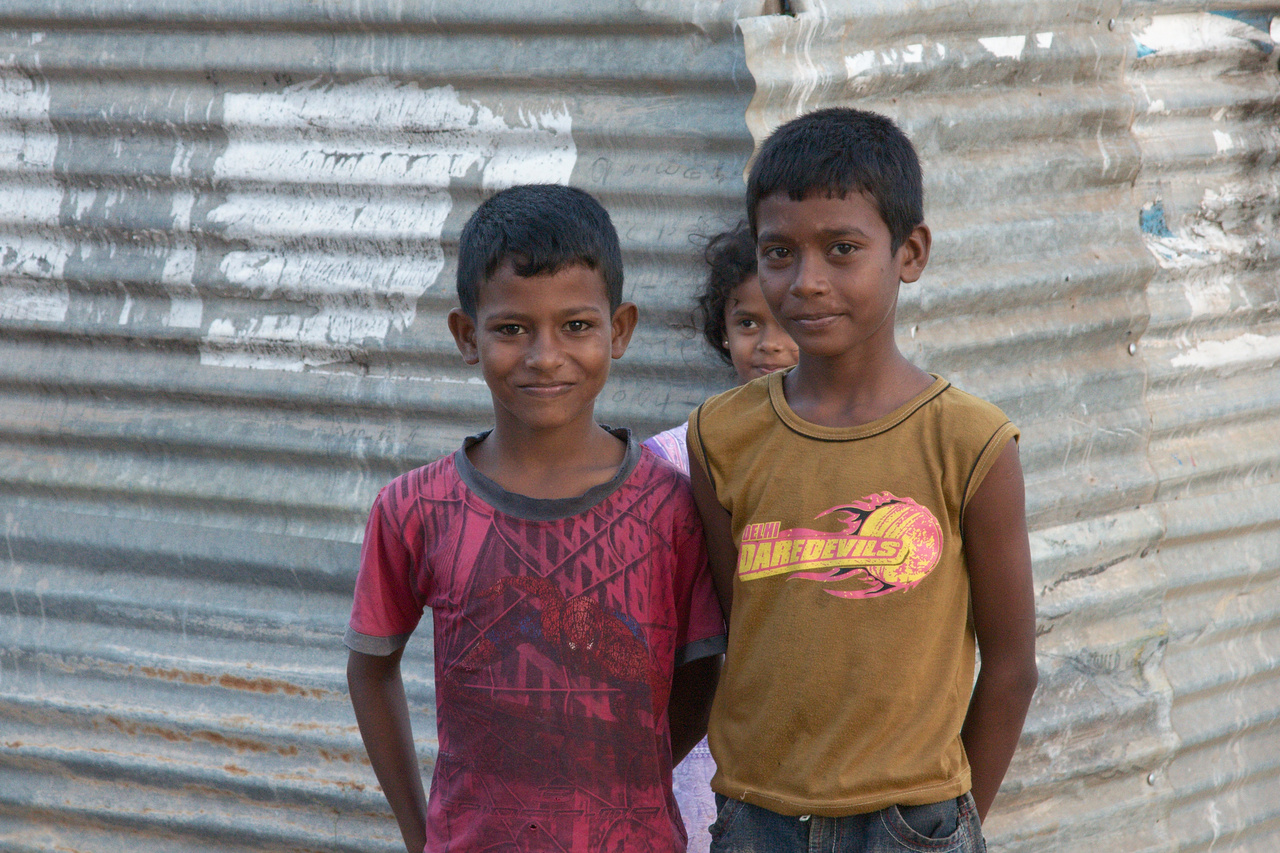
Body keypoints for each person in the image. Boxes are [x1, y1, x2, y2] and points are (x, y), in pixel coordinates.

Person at [686, 109, 1038, 852]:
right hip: (757, 818)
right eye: (779, 252)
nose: (807, 281)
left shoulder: (970, 441)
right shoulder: (721, 435)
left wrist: (951, 822)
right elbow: (740, 624)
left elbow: (1011, 667)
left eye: (842, 249)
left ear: (910, 253)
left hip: (913, 821)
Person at [345, 183, 726, 853]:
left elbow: (703, 676)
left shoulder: (672, 508)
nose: (545, 355)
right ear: (467, 336)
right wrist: (420, 832)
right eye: (511, 328)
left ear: (619, 330)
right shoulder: (416, 508)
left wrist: (624, 780)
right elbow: (371, 670)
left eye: (576, 326)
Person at [642, 222, 798, 851]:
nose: (769, 344)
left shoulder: (849, 457)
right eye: (749, 323)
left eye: (786, 322)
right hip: (700, 725)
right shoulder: (673, 458)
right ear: (723, 331)